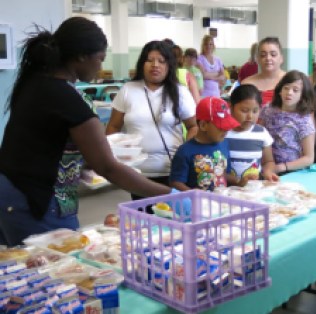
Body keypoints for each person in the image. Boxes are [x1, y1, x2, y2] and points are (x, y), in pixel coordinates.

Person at [0, 17, 172, 247]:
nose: (101, 66)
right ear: (82, 56)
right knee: (56, 267)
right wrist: (169, 195)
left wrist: (81, 162)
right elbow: (107, 167)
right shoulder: (69, 99)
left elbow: (43, 144)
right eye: (100, 59)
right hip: (36, 199)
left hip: (10, 190)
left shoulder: (36, 83)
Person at [106, 40, 197, 199]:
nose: (155, 65)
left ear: (169, 66)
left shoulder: (180, 92)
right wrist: (119, 157)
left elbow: (194, 127)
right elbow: (113, 127)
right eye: (150, 60)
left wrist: (185, 154)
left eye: (161, 61)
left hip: (173, 172)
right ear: (142, 63)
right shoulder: (128, 90)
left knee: (172, 219)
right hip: (137, 174)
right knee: (143, 219)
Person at [169, 97, 244, 191]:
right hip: (197, 204)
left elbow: (223, 174)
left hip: (221, 203)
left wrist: (238, 181)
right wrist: (195, 196)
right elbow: (175, 183)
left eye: (228, 126)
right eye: (221, 127)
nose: (226, 131)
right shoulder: (185, 151)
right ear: (203, 125)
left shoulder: (224, 144)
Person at [259, 70, 316, 173]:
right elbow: (258, 134)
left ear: (302, 95)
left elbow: (309, 158)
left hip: (290, 171)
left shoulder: (304, 120)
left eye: (295, 90)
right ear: (280, 90)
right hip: (265, 167)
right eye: (286, 88)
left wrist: (283, 167)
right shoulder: (268, 109)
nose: (289, 93)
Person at [226, 84, 278, 182]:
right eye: (244, 111)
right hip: (226, 189)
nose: (250, 116)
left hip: (252, 189)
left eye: (255, 111)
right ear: (231, 108)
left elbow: (268, 161)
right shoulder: (223, 133)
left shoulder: (261, 133)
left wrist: (268, 172)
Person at [241, 37, 286, 106]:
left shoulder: (291, 81)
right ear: (258, 59)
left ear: (281, 58)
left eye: (273, 54)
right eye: (263, 55)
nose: (268, 58)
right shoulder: (247, 84)